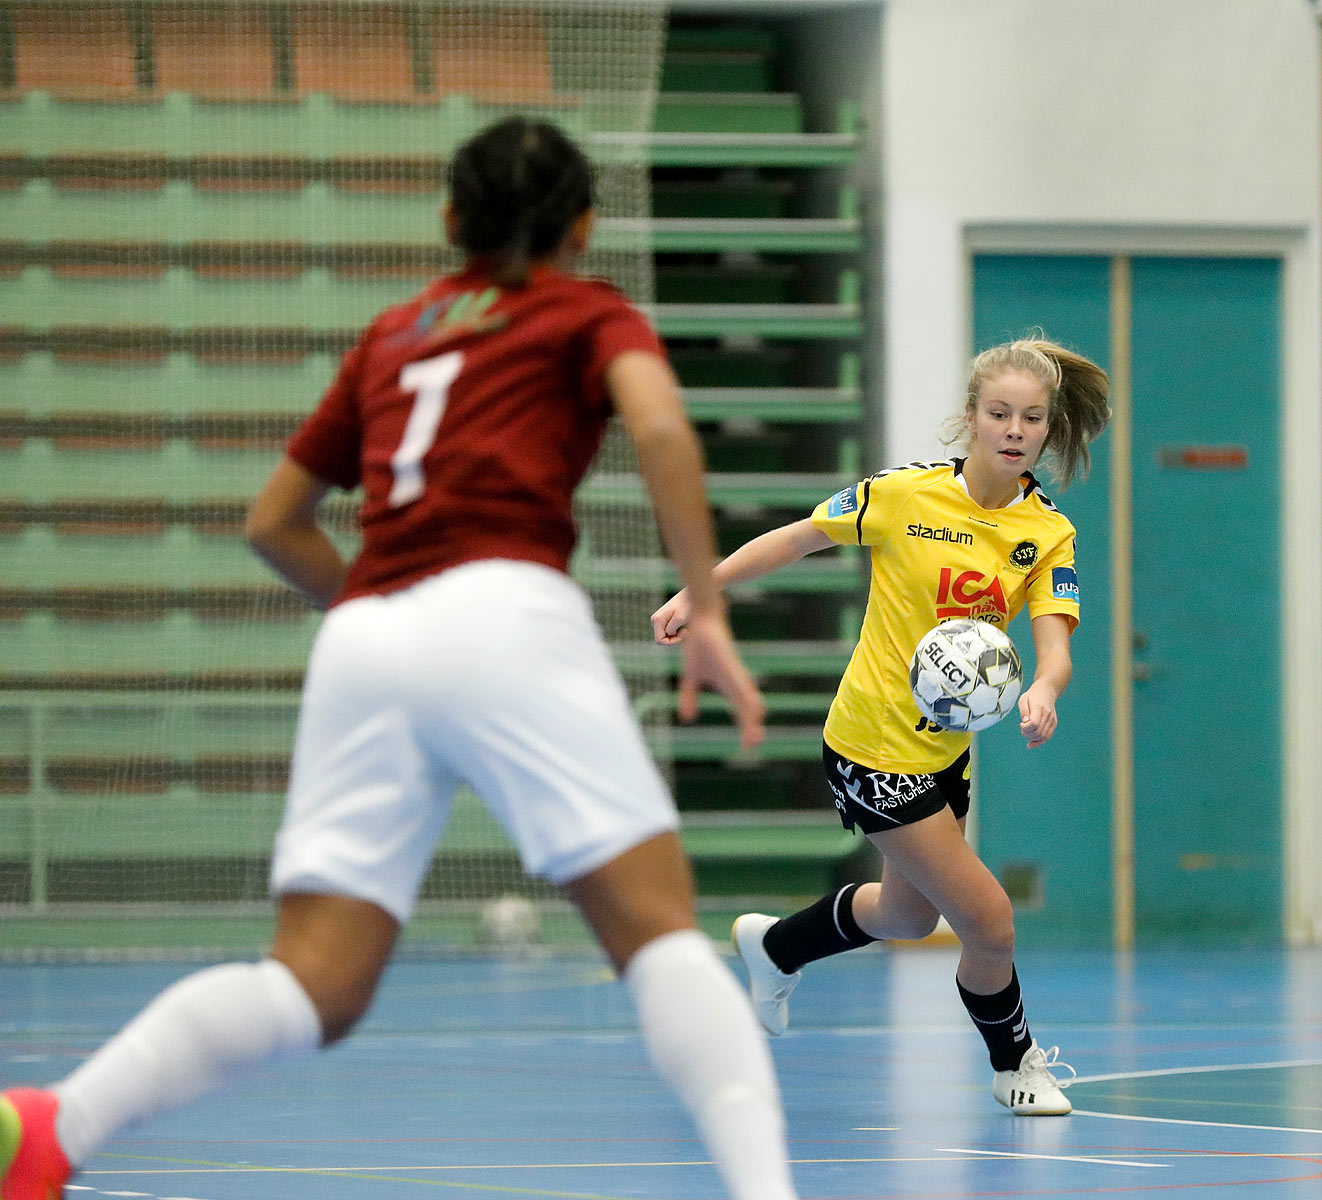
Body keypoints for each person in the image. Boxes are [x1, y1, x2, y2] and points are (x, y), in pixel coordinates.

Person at [1, 117, 800, 1200]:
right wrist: (706, 608)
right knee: (658, 933)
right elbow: (661, 432)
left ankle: (53, 1127)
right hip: (506, 604)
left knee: (311, 982)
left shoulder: (395, 332)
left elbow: (273, 522)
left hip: (366, 635)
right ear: (583, 225)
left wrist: (384, 611)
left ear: (450, 221)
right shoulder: (588, 309)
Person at [653, 337, 1110, 1115]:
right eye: (998, 413)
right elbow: (797, 537)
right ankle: (1016, 1066)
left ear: (1047, 428)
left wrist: (1044, 689)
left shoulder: (1048, 532)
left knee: (905, 914)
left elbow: (1056, 646)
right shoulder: (903, 495)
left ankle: (776, 946)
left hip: (943, 754)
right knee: (990, 924)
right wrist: (704, 591)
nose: (1014, 429)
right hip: (869, 745)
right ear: (970, 418)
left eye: (1031, 417)